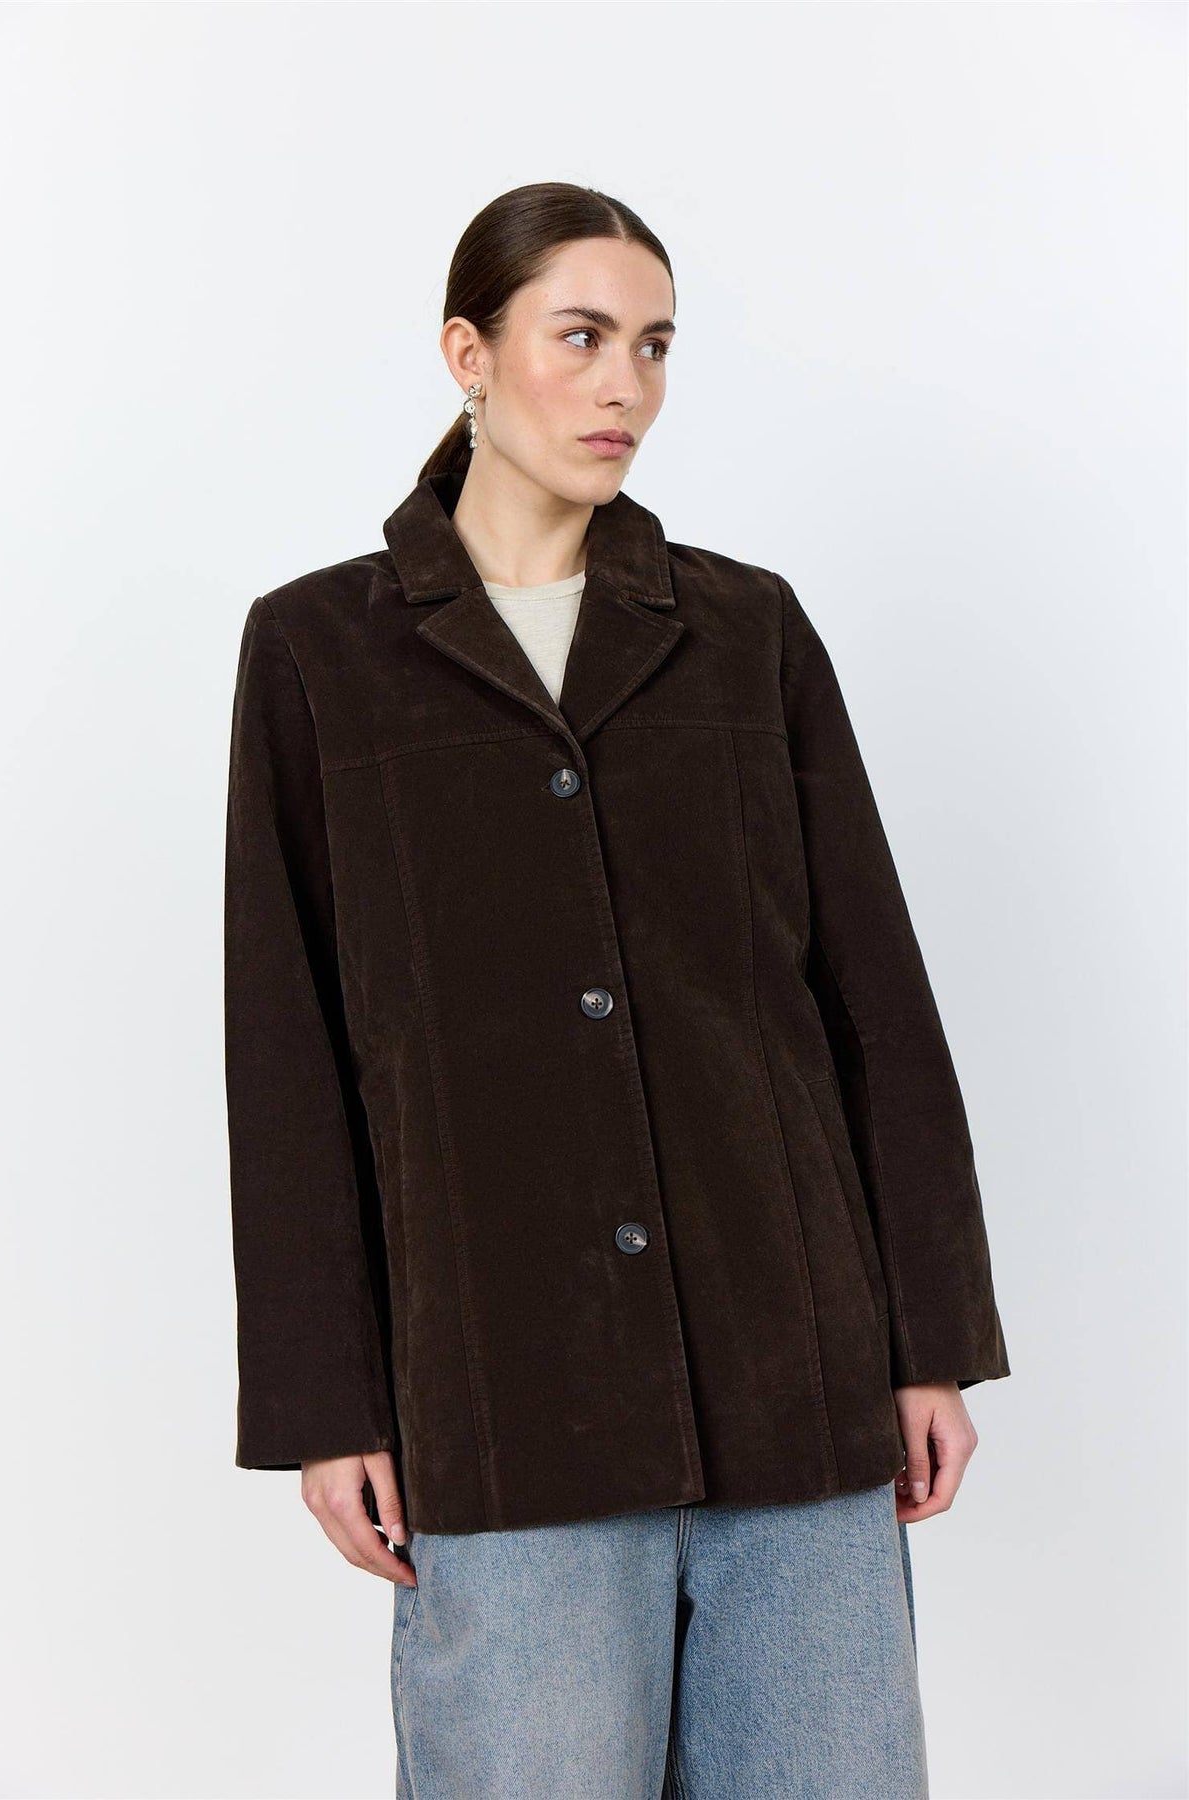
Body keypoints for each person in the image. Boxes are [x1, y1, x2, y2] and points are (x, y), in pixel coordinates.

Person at [223, 181, 1011, 1799]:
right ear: (468, 353)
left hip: (793, 1383)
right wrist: (325, 1402)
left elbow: (871, 1000)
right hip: (505, 1395)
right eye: (580, 337)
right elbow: (287, 1052)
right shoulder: (318, 654)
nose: (623, 387)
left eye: (652, 346)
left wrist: (926, 1341)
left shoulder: (744, 632)